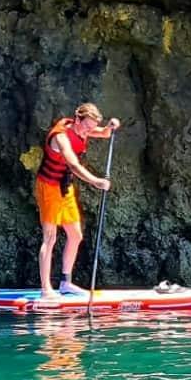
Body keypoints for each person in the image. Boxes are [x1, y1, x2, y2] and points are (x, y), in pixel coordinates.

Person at [34, 102, 120, 302]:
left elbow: (104, 133)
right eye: (86, 126)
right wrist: (96, 181)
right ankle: (46, 289)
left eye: (91, 128)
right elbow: (72, 164)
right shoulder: (61, 136)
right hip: (48, 187)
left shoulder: (83, 129)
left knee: (75, 234)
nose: (88, 131)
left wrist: (110, 127)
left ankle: (65, 283)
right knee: (50, 237)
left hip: (65, 187)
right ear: (77, 119)